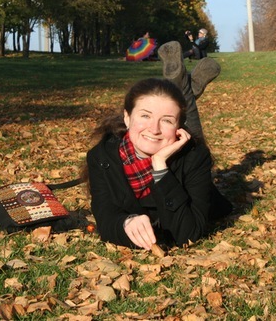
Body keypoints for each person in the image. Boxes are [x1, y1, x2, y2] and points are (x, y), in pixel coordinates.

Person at [86, 41, 231, 250]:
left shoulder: (195, 157)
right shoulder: (101, 157)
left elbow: (188, 235)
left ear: (178, 128)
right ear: (127, 118)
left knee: (194, 132)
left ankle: (184, 88)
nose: (154, 129)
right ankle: (185, 87)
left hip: (187, 159)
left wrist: (160, 168)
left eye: (167, 121)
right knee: (180, 115)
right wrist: (125, 223)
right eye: (145, 116)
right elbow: (105, 217)